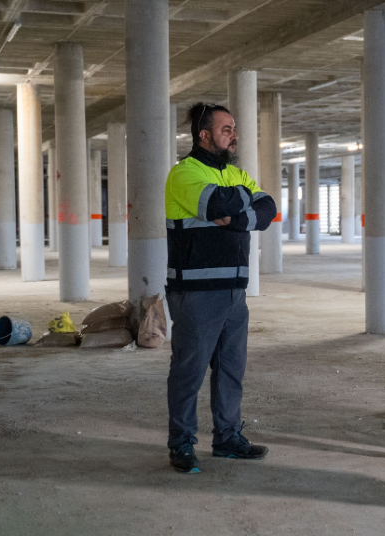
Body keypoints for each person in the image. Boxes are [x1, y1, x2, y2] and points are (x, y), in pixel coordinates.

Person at [164, 103, 277, 474]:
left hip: (234, 292)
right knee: (189, 371)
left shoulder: (235, 173)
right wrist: (240, 201)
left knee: (231, 369)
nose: (234, 135)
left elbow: (268, 208)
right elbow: (217, 205)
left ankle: (227, 438)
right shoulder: (184, 173)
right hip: (196, 293)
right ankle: (181, 443)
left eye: (234, 128)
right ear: (204, 135)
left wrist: (237, 215)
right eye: (226, 129)